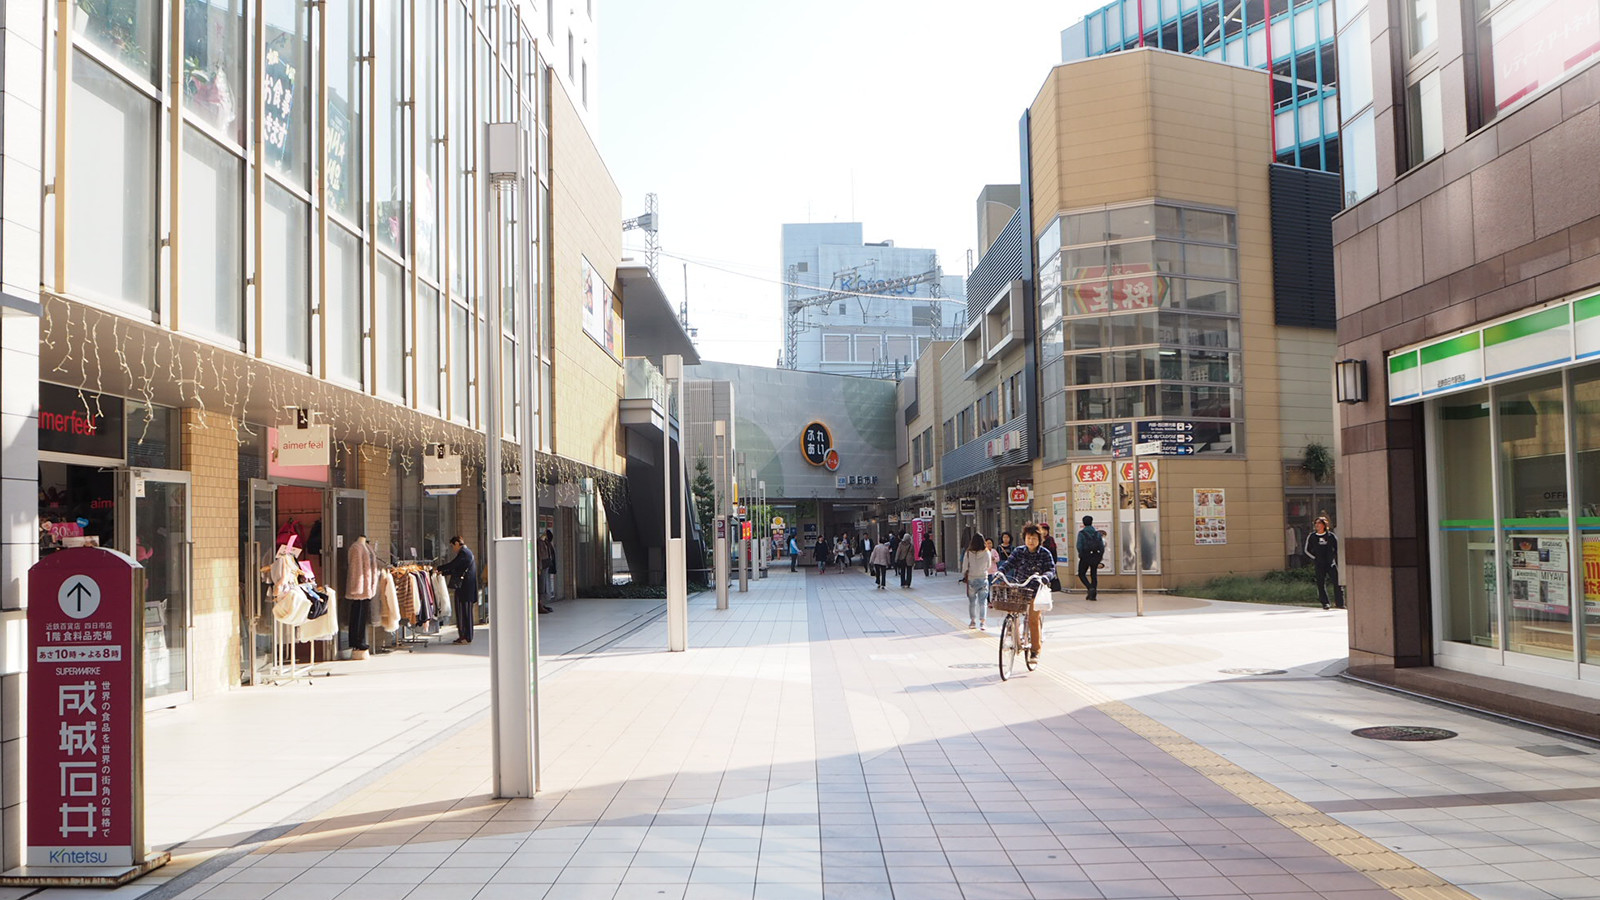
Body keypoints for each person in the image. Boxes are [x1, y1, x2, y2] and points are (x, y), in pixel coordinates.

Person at [999, 524, 1055, 660]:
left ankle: (1035, 651)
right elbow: (1009, 563)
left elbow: (1051, 570)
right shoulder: (1019, 551)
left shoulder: (1044, 553)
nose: (1031, 541)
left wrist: (1045, 577)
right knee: (1012, 612)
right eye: (1029, 538)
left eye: (1034, 538)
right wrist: (1000, 572)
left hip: (1036, 590)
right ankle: (1012, 633)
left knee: (1033, 620)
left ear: (1039, 540)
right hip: (1020, 588)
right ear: (1024, 538)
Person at [437, 536, 480, 644]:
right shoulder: (466, 553)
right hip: (466, 588)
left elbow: (453, 565)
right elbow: (457, 569)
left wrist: (439, 568)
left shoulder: (464, 553)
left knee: (463, 613)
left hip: (465, 588)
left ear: (457, 543)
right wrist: (443, 572)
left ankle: (466, 637)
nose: (453, 549)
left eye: (452, 546)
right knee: (465, 613)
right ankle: (465, 636)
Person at [344, 535, 380, 659]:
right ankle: (356, 641)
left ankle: (361, 639)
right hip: (360, 587)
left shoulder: (366, 547)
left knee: (362, 615)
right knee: (357, 615)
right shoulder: (356, 547)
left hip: (367, 587)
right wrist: (356, 587)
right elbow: (355, 570)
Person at [1304, 517, 1346, 610]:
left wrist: (1332, 558)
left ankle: (1340, 603)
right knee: (1320, 583)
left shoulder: (1331, 536)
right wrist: (1315, 558)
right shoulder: (1312, 537)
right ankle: (1325, 603)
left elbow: (1337, 548)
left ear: (1324, 525)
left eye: (1319, 523)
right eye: (1316, 523)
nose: (1317, 525)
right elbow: (1307, 550)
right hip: (1319, 564)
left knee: (1337, 583)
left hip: (1331, 564)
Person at [959, 533, 991, 630]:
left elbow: (964, 566)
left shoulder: (968, 553)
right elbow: (989, 565)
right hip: (983, 578)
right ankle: (982, 622)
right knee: (983, 602)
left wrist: (964, 574)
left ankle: (972, 622)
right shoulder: (986, 552)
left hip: (972, 579)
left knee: (972, 602)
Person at [1076, 516, 1104, 601]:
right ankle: (1093, 594)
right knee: (1093, 574)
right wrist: (1100, 556)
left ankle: (1090, 588)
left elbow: (1079, 546)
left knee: (1081, 573)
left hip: (1085, 555)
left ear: (1083, 523)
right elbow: (1102, 546)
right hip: (1095, 555)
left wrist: (1081, 554)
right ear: (1092, 522)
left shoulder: (1082, 533)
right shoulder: (1097, 533)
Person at [537, 529, 555, 614]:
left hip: (545, 565)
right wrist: (539, 567)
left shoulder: (546, 543)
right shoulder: (540, 543)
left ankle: (541, 604)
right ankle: (539, 605)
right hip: (542, 566)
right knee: (541, 586)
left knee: (544, 585)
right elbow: (539, 556)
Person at [1039, 524, 1062, 591]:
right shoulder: (1037, 539)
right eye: (1042, 530)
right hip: (1039, 564)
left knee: (1048, 579)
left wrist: (1054, 563)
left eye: (1045, 530)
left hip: (1048, 563)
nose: (1044, 532)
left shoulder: (1050, 539)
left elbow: (1054, 551)